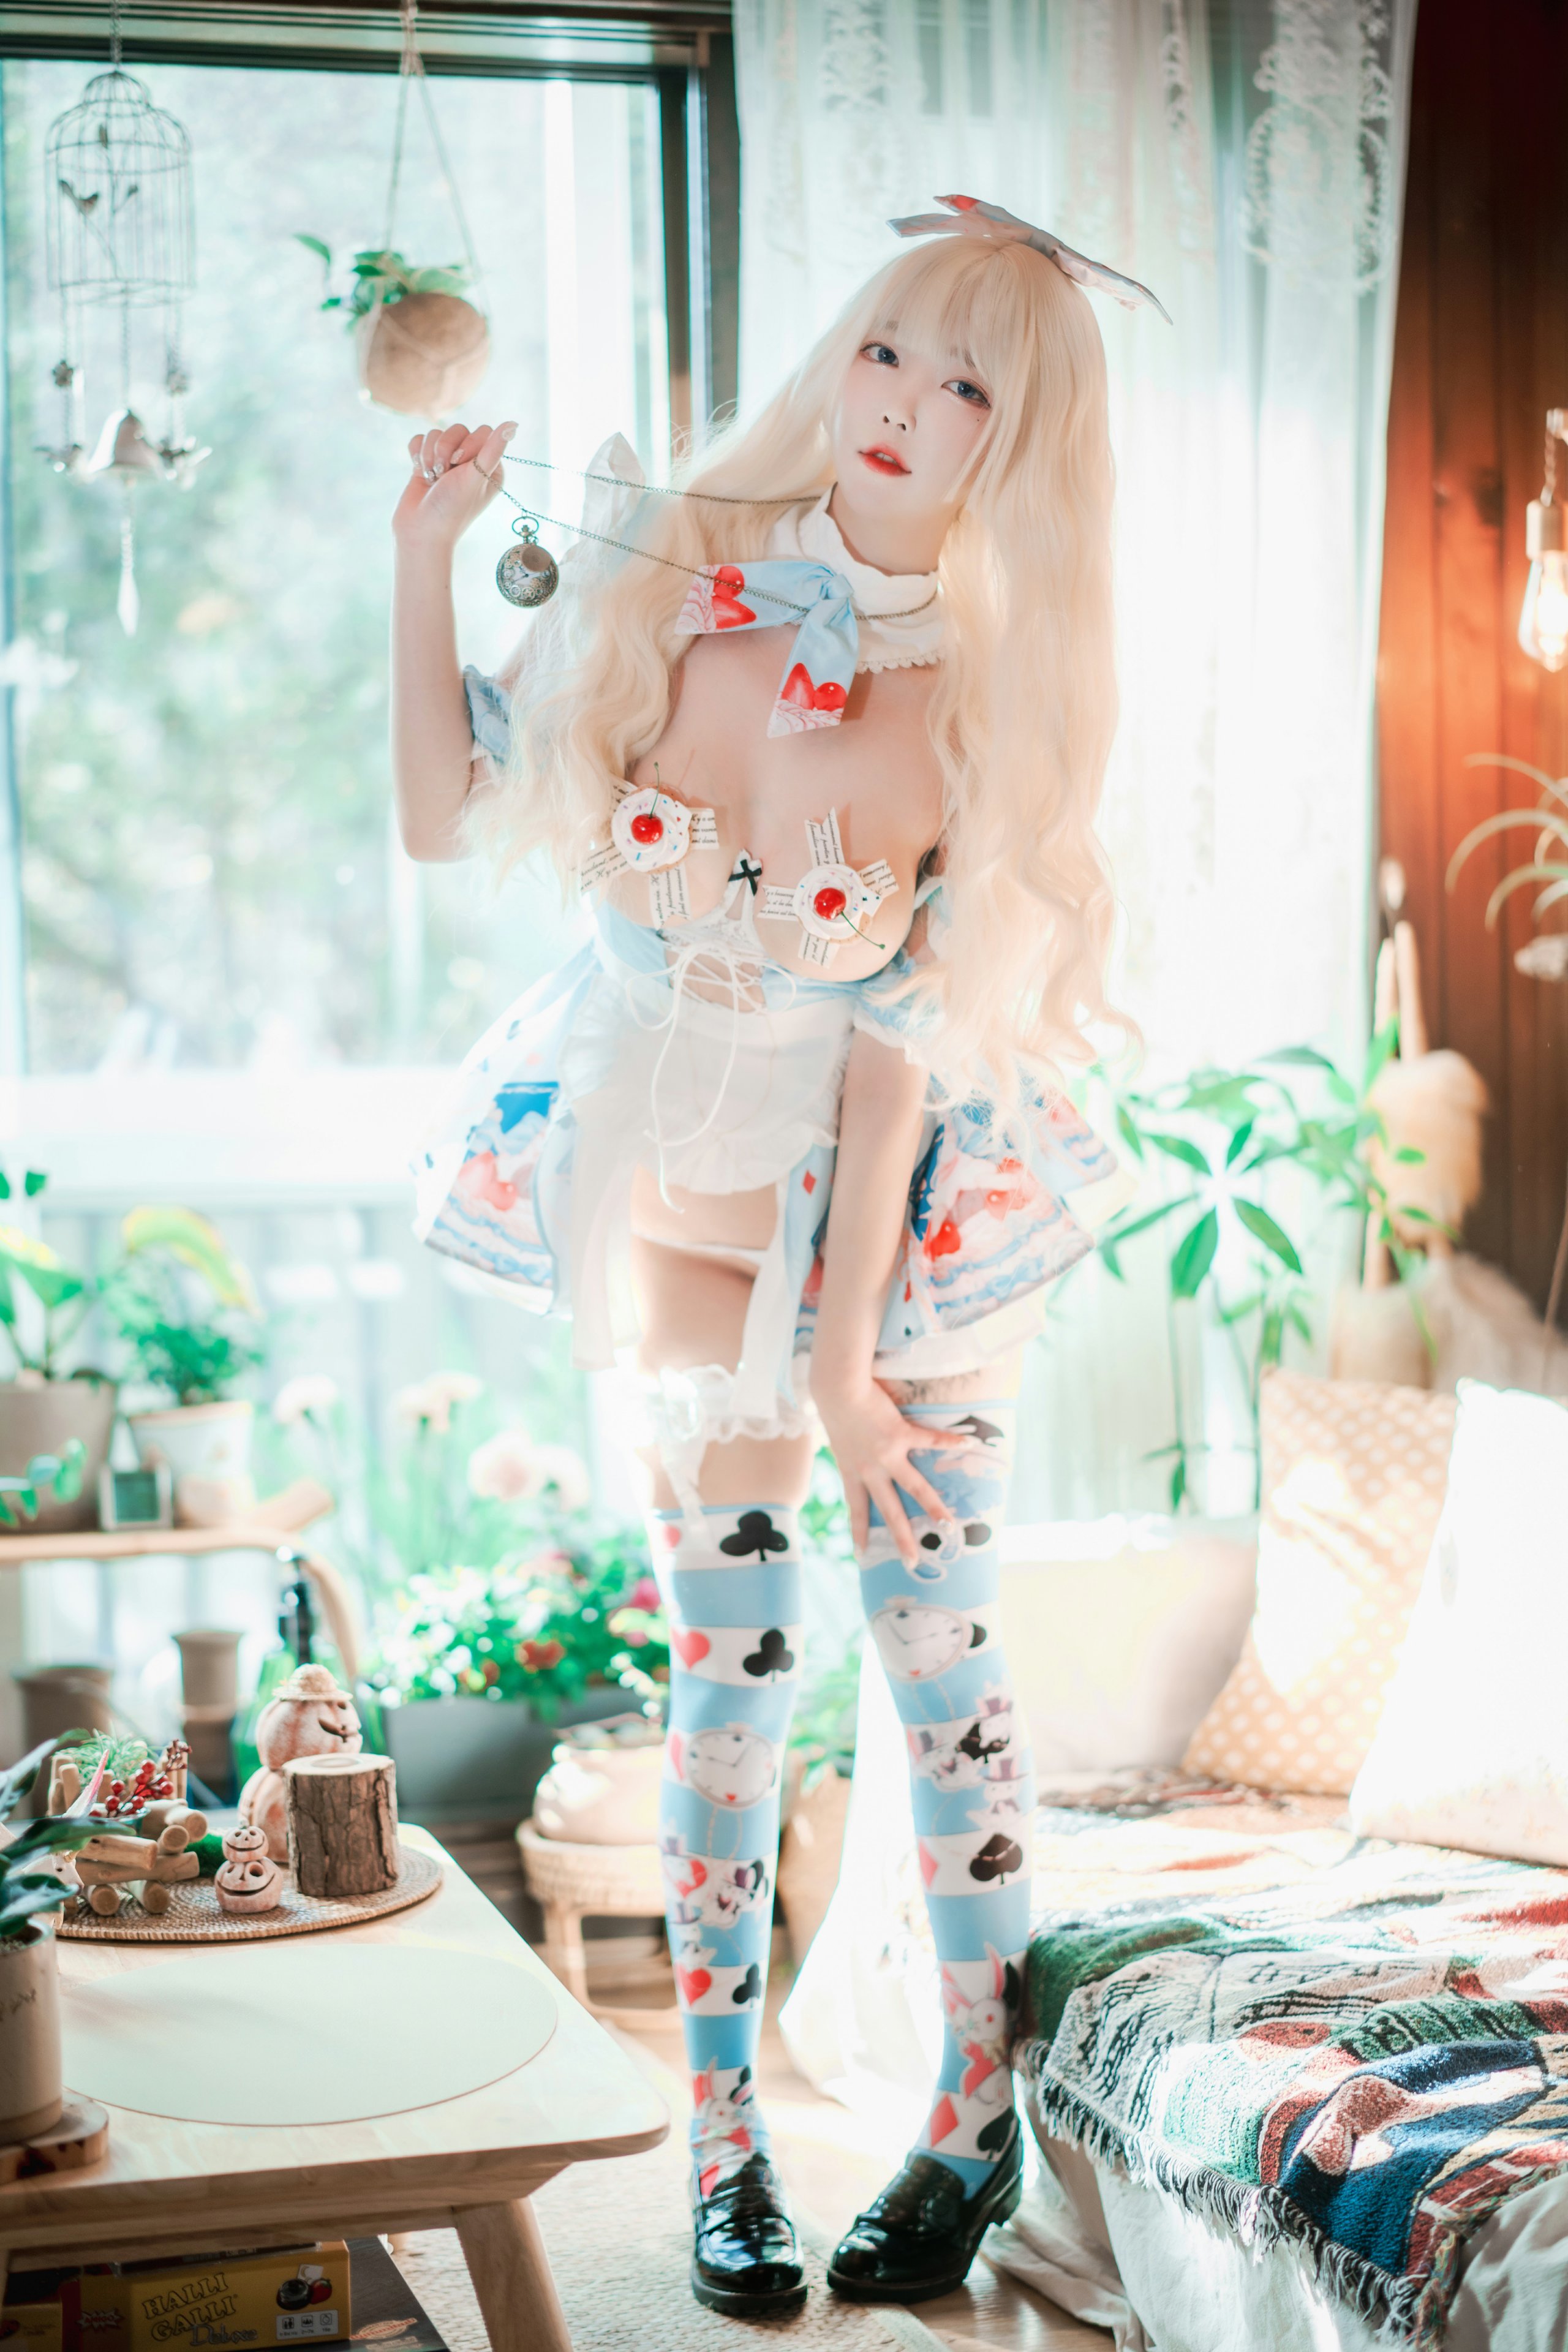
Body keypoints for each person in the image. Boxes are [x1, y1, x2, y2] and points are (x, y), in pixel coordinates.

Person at [390, 196, 1150, 2315]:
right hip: (678, 1198)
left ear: (1020, 441)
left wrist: (844, 1363)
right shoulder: (672, 587)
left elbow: (900, 1063)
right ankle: (725, 2148)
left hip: (909, 1237)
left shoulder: (983, 701)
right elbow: (446, 815)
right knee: (724, 1687)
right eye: (886, 351)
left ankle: (969, 2120)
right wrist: (422, 553)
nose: (902, 405)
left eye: (967, 383)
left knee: (941, 1664)